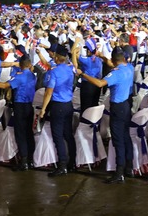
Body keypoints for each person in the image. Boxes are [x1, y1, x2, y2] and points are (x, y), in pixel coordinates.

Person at [78, 46, 135, 183]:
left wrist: (83, 74)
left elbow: (99, 83)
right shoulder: (129, 68)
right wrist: (103, 57)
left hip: (118, 108)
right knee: (125, 137)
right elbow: (112, 63)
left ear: (113, 60)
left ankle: (119, 172)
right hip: (126, 105)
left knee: (118, 140)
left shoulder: (115, 73)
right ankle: (128, 168)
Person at [0, 55, 36, 171]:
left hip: (20, 106)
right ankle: (30, 159)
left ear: (20, 65)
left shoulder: (20, 76)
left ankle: (24, 161)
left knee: (20, 134)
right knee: (28, 133)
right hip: (30, 106)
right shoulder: (32, 75)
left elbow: (4, 85)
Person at [39, 44, 77, 177]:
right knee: (68, 134)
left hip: (58, 105)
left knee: (58, 136)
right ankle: (72, 162)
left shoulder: (54, 72)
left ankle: (62, 165)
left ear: (56, 57)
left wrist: (43, 109)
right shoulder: (70, 68)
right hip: (68, 104)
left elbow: (49, 92)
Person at [72, 38, 102, 113]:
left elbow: (73, 53)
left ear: (89, 51)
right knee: (94, 106)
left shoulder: (86, 60)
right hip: (97, 84)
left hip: (87, 85)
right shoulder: (99, 59)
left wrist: (76, 44)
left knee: (85, 108)